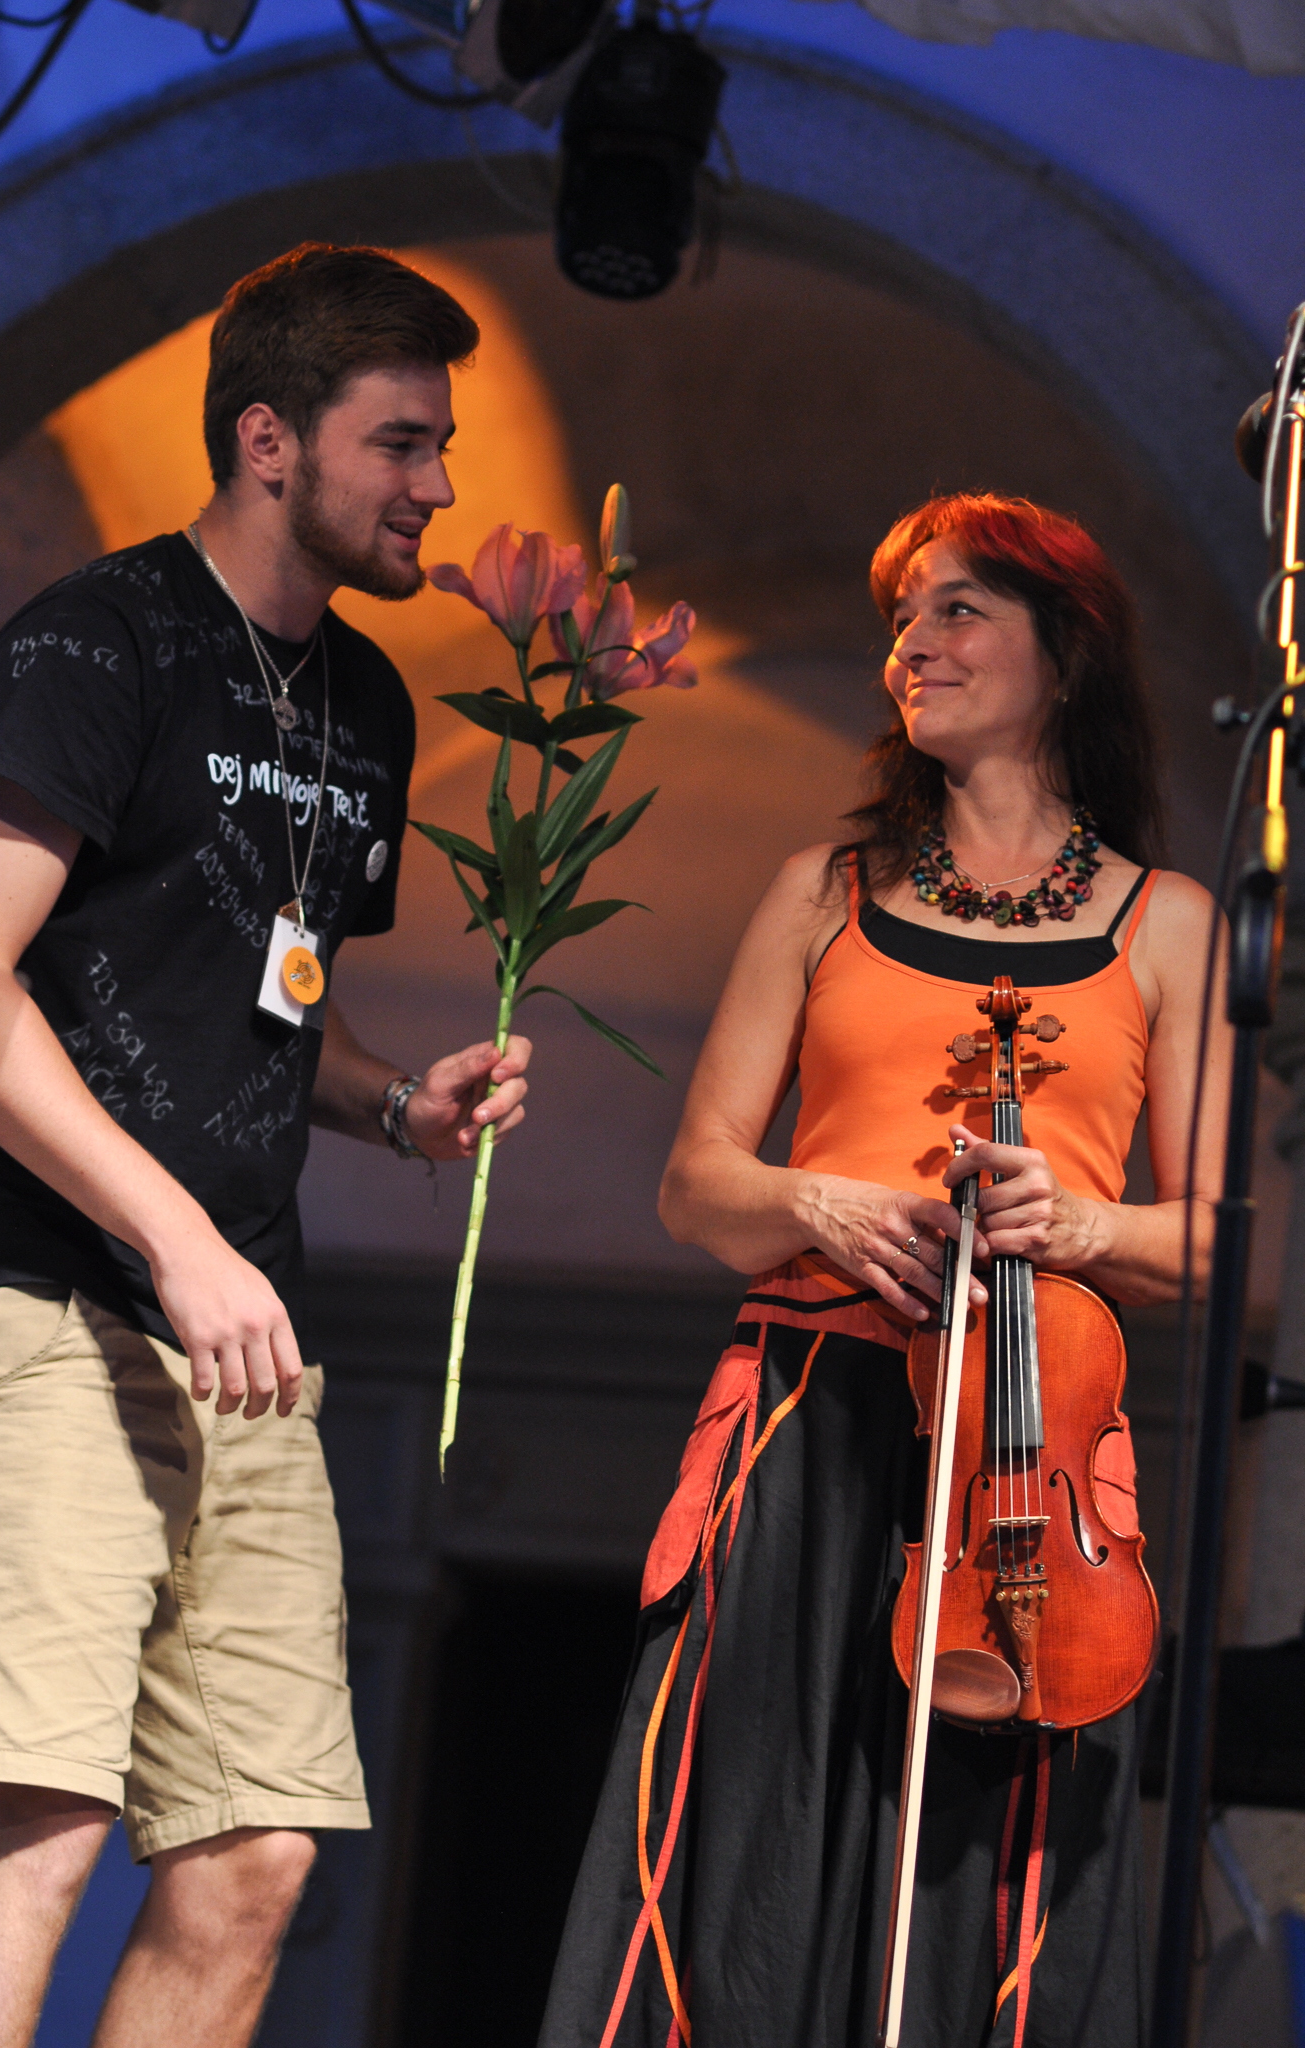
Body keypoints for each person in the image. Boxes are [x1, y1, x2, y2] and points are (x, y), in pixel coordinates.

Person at [538, 493, 1228, 2048]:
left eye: (959, 607)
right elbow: (697, 1186)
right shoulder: (821, 891)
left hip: (1024, 1456)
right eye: (903, 618)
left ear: (1067, 650)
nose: (914, 643)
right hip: (809, 1426)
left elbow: (1220, 1248)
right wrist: (820, 1203)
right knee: (753, 1857)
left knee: (981, 1894)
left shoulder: (1167, 926)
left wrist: (1083, 1225)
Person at [0, 243, 531, 2048]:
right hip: (60, 1305)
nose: (439, 485)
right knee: (39, 1817)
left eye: (441, 446)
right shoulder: (96, 641)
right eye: (402, 443)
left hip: (242, 1339)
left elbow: (275, 1004)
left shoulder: (368, 705)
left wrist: (397, 1104)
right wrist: (174, 1237)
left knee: (255, 1855)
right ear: (269, 439)